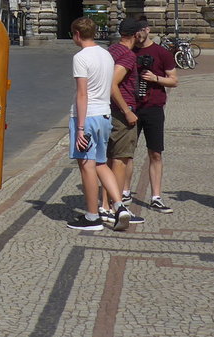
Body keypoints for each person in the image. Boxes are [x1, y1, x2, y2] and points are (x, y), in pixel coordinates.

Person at [67, 16, 134, 231]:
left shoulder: (81, 57)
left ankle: (92, 217)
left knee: (87, 166)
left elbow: (82, 94)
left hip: (87, 117)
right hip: (105, 115)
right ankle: (119, 206)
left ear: (77, 34)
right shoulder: (106, 54)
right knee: (101, 162)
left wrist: (80, 128)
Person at [132, 18, 179, 213]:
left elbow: (174, 80)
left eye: (140, 31)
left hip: (154, 107)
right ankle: (124, 192)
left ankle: (156, 197)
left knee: (155, 153)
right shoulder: (129, 51)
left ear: (147, 30)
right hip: (131, 108)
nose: (137, 35)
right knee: (126, 154)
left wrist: (155, 78)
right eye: (134, 32)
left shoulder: (162, 53)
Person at [101, 17, 145, 226]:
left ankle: (105, 205)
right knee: (120, 160)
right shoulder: (127, 55)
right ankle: (115, 207)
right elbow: (112, 84)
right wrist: (127, 111)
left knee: (109, 160)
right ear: (136, 34)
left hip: (107, 110)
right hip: (120, 113)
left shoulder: (112, 50)